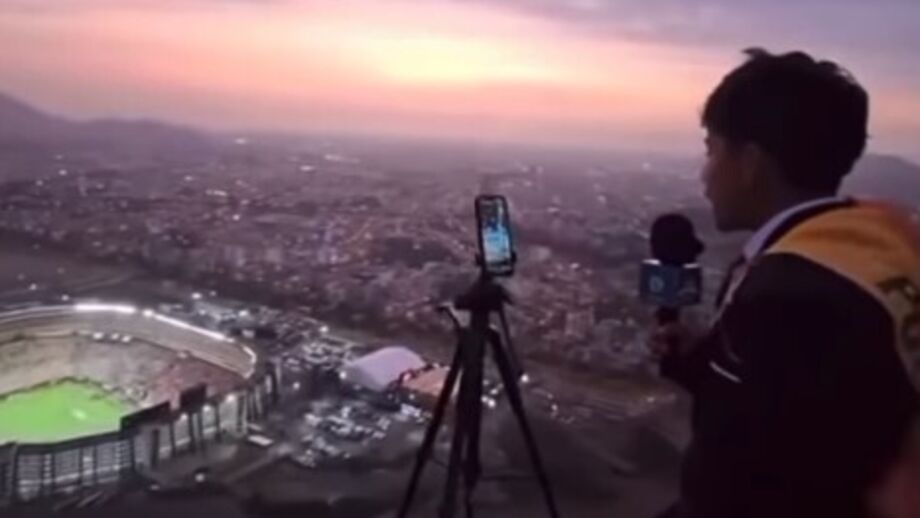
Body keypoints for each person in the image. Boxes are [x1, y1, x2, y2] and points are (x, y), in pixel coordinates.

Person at [651, 48, 920, 518]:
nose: (704, 174)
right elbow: (807, 420)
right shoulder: (875, 249)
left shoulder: (788, 298)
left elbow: (736, 493)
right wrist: (709, 368)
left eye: (712, 150)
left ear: (751, 163)